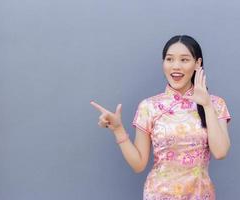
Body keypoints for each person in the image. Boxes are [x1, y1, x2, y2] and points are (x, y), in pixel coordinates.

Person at [90, 35, 231, 200]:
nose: (176, 66)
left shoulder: (215, 104)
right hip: (158, 194)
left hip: (200, 195)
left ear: (197, 64)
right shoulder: (149, 106)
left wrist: (206, 105)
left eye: (184, 60)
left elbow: (220, 152)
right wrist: (118, 129)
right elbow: (139, 164)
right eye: (169, 59)